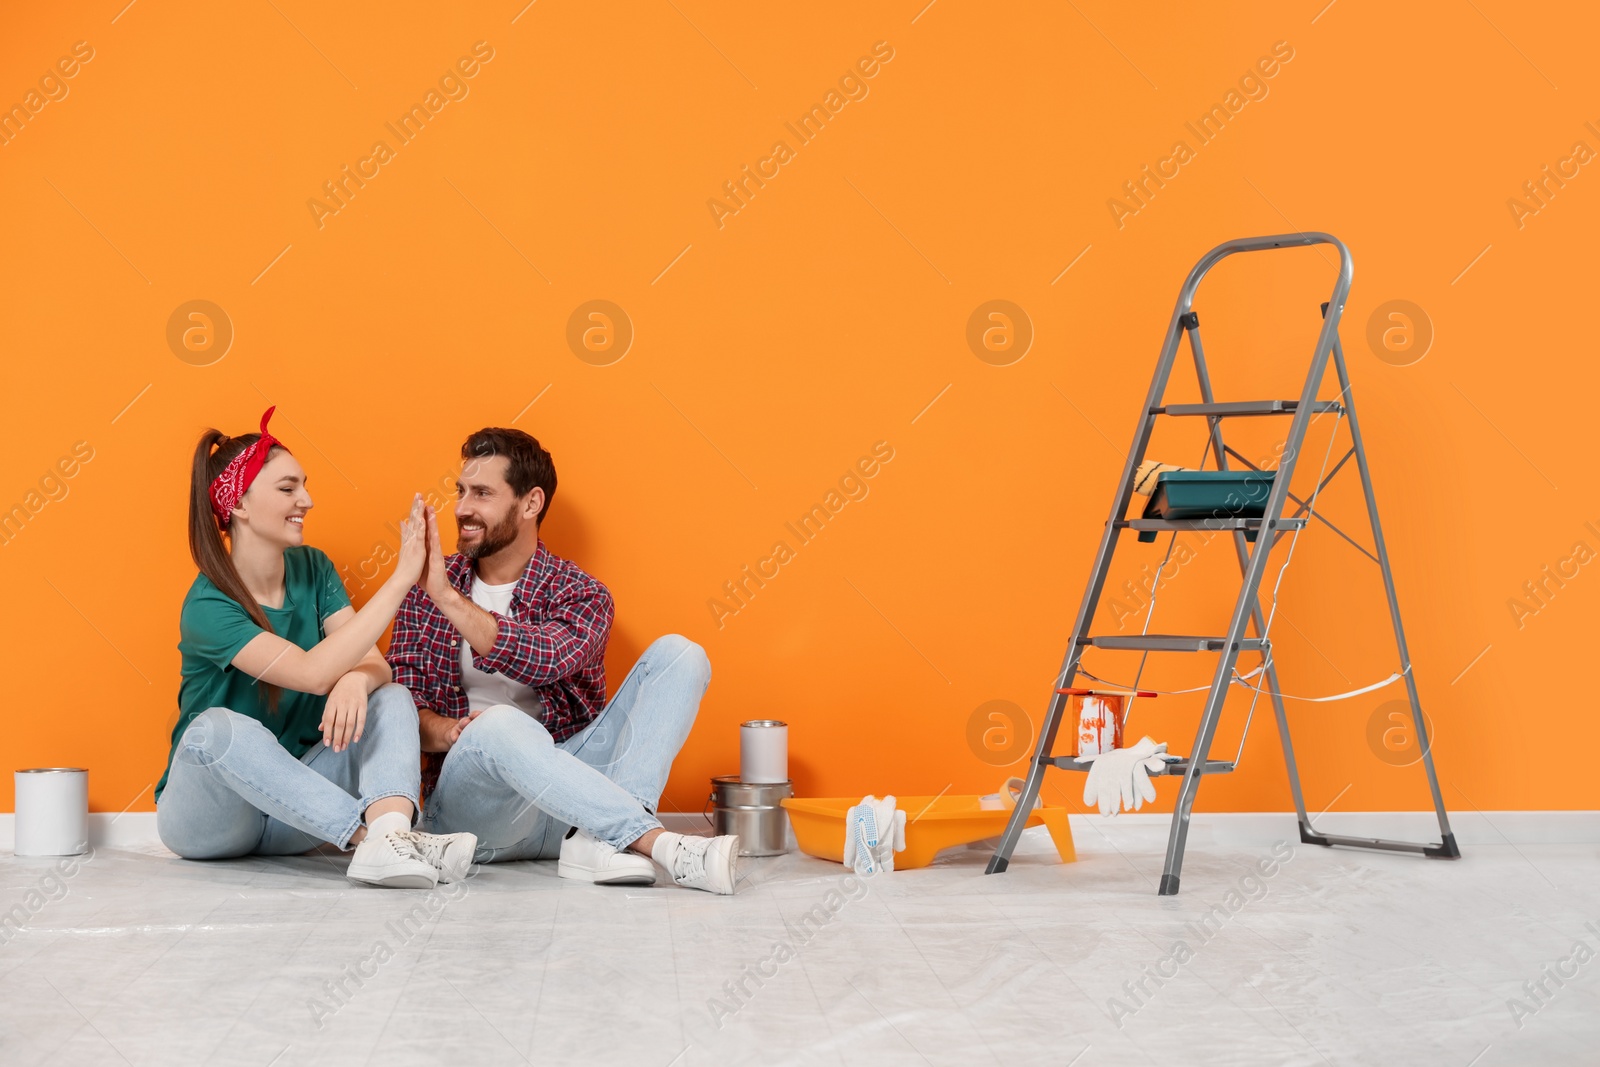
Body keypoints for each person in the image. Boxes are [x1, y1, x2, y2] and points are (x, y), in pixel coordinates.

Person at [388, 427, 740, 893]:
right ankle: (649, 840)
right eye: (461, 491)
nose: (462, 508)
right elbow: (402, 713)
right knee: (497, 723)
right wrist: (449, 731)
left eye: (483, 493)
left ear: (531, 503)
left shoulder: (581, 593)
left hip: (570, 808)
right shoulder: (425, 588)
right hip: (479, 814)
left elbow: (544, 659)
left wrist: (448, 598)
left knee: (682, 654)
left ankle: (605, 841)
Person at [155, 407, 477, 889]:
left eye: (303, 485)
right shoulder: (208, 602)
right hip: (213, 820)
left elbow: (373, 663)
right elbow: (309, 673)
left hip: (294, 816)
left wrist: (355, 677)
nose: (306, 499)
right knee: (216, 730)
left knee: (391, 696)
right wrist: (401, 579)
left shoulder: (314, 569)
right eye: (287, 488)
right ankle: (369, 839)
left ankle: (392, 836)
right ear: (238, 504)